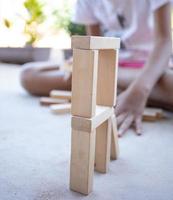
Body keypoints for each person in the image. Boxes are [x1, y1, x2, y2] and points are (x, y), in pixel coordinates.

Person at [21, 0, 172, 137]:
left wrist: (139, 90)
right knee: (29, 74)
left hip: (151, 69)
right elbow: (95, 46)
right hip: (108, 66)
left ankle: (116, 87)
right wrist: (83, 60)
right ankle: (118, 88)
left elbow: (165, 41)